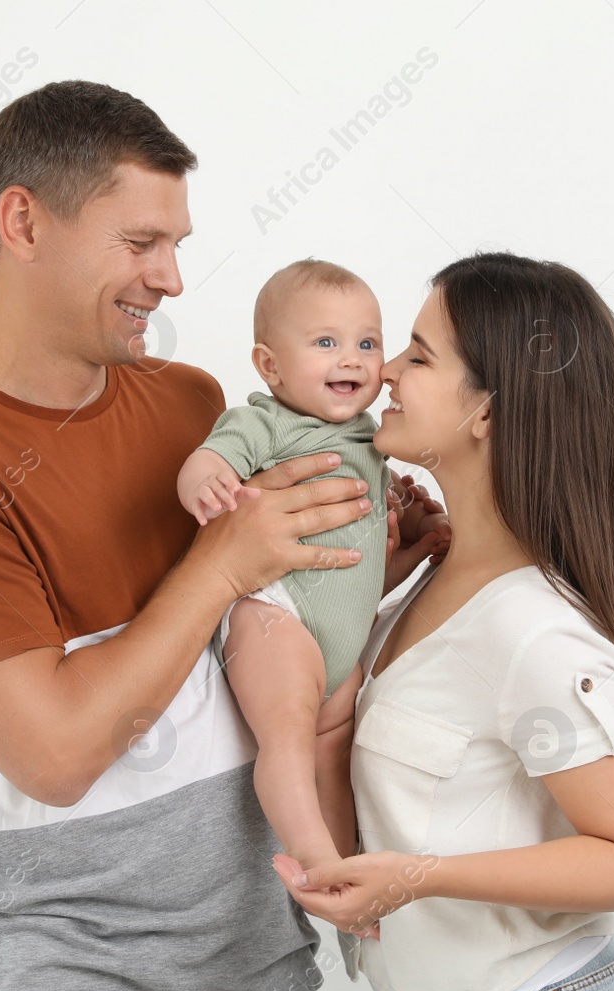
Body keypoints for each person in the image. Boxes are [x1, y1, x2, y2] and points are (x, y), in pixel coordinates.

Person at [0, 79, 440, 991]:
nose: (170, 279)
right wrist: (223, 563)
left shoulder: (188, 404)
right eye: (140, 243)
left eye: (176, 244)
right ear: (23, 220)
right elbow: (57, 754)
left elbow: (228, 645)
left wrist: (340, 573)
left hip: (261, 986)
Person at [275, 252, 614, 991]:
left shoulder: (533, 631)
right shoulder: (432, 577)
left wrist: (420, 878)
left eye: (419, 357)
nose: (382, 368)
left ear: (487, 412)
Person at [178, 258, 449, 871]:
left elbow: (355, 569)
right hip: (274, 616)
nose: (351, 359)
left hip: (343, 643)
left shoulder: (372, 443)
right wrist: (206, 485)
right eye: (326, 343)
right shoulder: (268, 422)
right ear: (270, 365)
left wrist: (407, 553)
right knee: (289, 741)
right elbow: (212, 457)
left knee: (333, 751)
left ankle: (348, 865)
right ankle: (312, 860)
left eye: (367, 343)